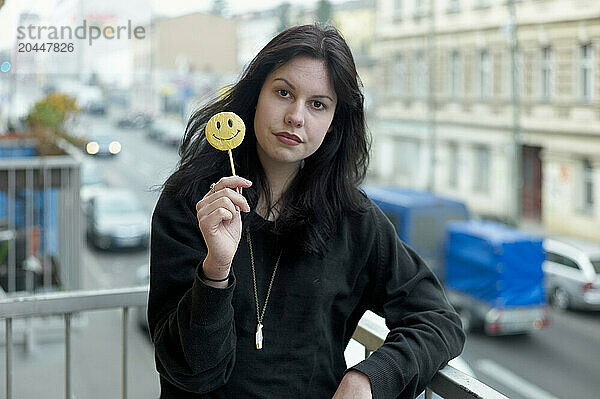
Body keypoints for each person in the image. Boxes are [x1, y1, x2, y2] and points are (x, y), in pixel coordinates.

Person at [148, 24, 465, 399]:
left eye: (318, 104)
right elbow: (191, 373)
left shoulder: (354, 220)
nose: (296, 117)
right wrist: (215, 271)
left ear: (334, 122)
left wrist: (370, 377)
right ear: (255, 96)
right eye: (284, 93)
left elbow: (438, 320)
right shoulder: (194, 202)